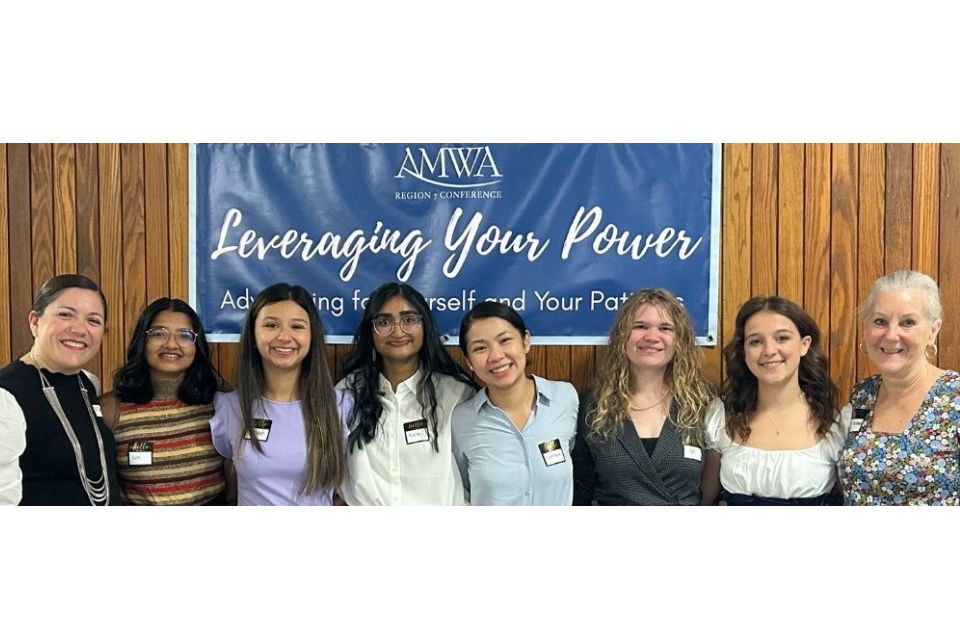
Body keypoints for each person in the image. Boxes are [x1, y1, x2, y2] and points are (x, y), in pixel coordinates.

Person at [572, 288, 717, 506]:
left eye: (665, 328)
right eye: (640, 326)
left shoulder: (702, 403)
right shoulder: (593, 407)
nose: (652, 337)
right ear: (623, 336)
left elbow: (712, 490)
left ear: (679, 340)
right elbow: (582, 486)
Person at [338, 282, 476, 505]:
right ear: (370, 331)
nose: (397, 330)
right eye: (383, 322)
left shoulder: (456, 395)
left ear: (425, 326)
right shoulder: (347, 393)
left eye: (409, 319)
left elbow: (477, 475)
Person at [209, 283, 347, 505]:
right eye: (271, 325)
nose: (284, 336)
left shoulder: (341, 405)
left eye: (297, 326)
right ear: (253, 336)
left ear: (312, 337)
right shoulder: (229, 407)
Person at [706, 296, 847, 505]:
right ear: (744, 351)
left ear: (804, 345)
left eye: (782, 338)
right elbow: (704, 501)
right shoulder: (722, 417)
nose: (769, 350)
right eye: (755, 341)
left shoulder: (834, 422)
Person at [838, 270, 959, 505]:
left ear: (933, 331)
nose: (891, 335)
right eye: (880, 321)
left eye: (908, 323)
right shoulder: (863, 393)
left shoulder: (954, 397)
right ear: (865, 328)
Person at [0, 274, 121, 505]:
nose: (79, 329)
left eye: (93, 320)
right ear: (35, 322)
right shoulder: (6, 396)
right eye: (65, 315)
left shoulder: (87, 384)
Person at [99, 298, 227, 505]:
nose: (171, 344)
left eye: (185, 335)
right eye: (159, 334)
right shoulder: (111, 409)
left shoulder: (218, 403)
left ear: (197, 344)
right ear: (143, 340)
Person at [452, 302, 578, 505]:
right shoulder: (461, 420)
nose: (496, 356)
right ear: (469, 362)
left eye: (505, 340)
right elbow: (461, 488)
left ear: (526, 341)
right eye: (480, 348)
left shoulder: (565, 398)